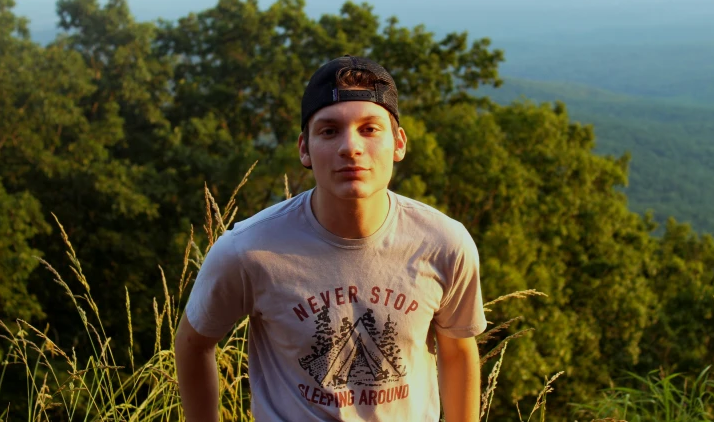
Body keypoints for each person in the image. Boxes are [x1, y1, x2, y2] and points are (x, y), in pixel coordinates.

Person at [175, 56, 487, 421]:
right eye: (328, 131)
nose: (350, 147)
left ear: (399, 143)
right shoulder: (248, 251)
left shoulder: (444, 243)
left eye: (370, 129)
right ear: (304, 149)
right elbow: (193, 344)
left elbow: (458, 353)